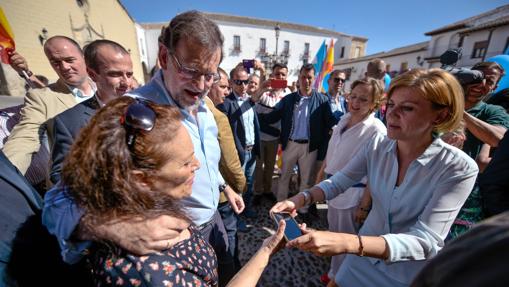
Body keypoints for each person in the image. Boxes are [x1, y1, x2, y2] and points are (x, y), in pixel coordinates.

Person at [43, 11, 244, 286]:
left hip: (214, 223)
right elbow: (56, 203)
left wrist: (223, 186)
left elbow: (204, 160)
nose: (201, 86)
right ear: (164, 58)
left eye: (209, 75)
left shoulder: (202, 102)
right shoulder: (129, 113)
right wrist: (112, 228)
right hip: (171, 249)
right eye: (190, 71)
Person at [271, 68, 478, 287]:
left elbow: (425, 241)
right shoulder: (379, 144)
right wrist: (300, 198)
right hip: (361, 257)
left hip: (405, 272)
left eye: (407, 108)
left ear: (441, 115)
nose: (391, 114)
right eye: (390, 105)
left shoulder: (458, 168)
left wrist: (347, 242)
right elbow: (341, 180)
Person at [59, 97, 285, 286]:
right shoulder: (149, 273)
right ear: (143, 179)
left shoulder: (153, 205)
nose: (197, 164)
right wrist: (265, 253)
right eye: (186, 163)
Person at [315, 77, 386, 282]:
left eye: (363, 99)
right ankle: (334, 272)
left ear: (375, 103)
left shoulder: (376, 130)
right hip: (332, 187)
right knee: (335, 232)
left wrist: (364, 204)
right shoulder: (344, 120)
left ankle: (341, 278)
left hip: (354, 194)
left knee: (347, 240)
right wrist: (322, 171)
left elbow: (375, 169)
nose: (355, 103)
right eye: (353, 97)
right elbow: (333, 150)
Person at [3, 36, 96, 174]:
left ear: (84, 58)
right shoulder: (41, 98)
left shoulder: (106, 85)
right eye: (56, 62)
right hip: (76, 182)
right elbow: (24, 138)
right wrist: (7, 176)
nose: (64, 67)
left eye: (70, 60)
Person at [50, 39, 134, 184]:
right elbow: (61, 175)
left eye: (129, 74)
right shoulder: (69, 121)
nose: (126, 82)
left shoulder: (148, 107)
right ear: (93, 74)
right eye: (115, 74)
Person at [258, 64, 337, 210]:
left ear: (314, 79)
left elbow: (331, 122)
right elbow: (273, 116)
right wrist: (255, 114)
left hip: (310, 146)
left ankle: (303, 209)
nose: (306, 81)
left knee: (306, 180)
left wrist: (345, 123)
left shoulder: (322, 100)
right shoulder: (288, 99)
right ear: (298, 78)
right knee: (284, 177)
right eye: (303, 77)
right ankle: (280, 206)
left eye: (309, 78)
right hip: (290, 144)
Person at [449, 61, 509, 238]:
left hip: (466, 193)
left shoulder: (492, 111)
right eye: (477, 77)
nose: (481, 84)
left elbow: (498, 138)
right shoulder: (439, 103)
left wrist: (459, 112)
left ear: (495, 87)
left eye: (489, 81)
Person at [219, 65, 261, 220]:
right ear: (231, 82)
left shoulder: (249, 101)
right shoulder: (226, 103)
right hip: (238, 153)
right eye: (239, 82)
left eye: (246, 81)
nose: (243, 86)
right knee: (237, 187)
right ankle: (237, 218)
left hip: (252, 151)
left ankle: (246, 209)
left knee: (249, 185)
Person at [253, 63, 290, 203]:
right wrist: (262, 87)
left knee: (270, 167)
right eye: (277, 74)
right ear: (272, 75)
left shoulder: (288, 95)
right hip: (260, 137)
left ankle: (267, 190)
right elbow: (255, 99)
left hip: (275, 138)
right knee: (258, 166)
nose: (279, 76)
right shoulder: (264, 91)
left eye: (282, 74)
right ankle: (257, 192)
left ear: (286, 77)